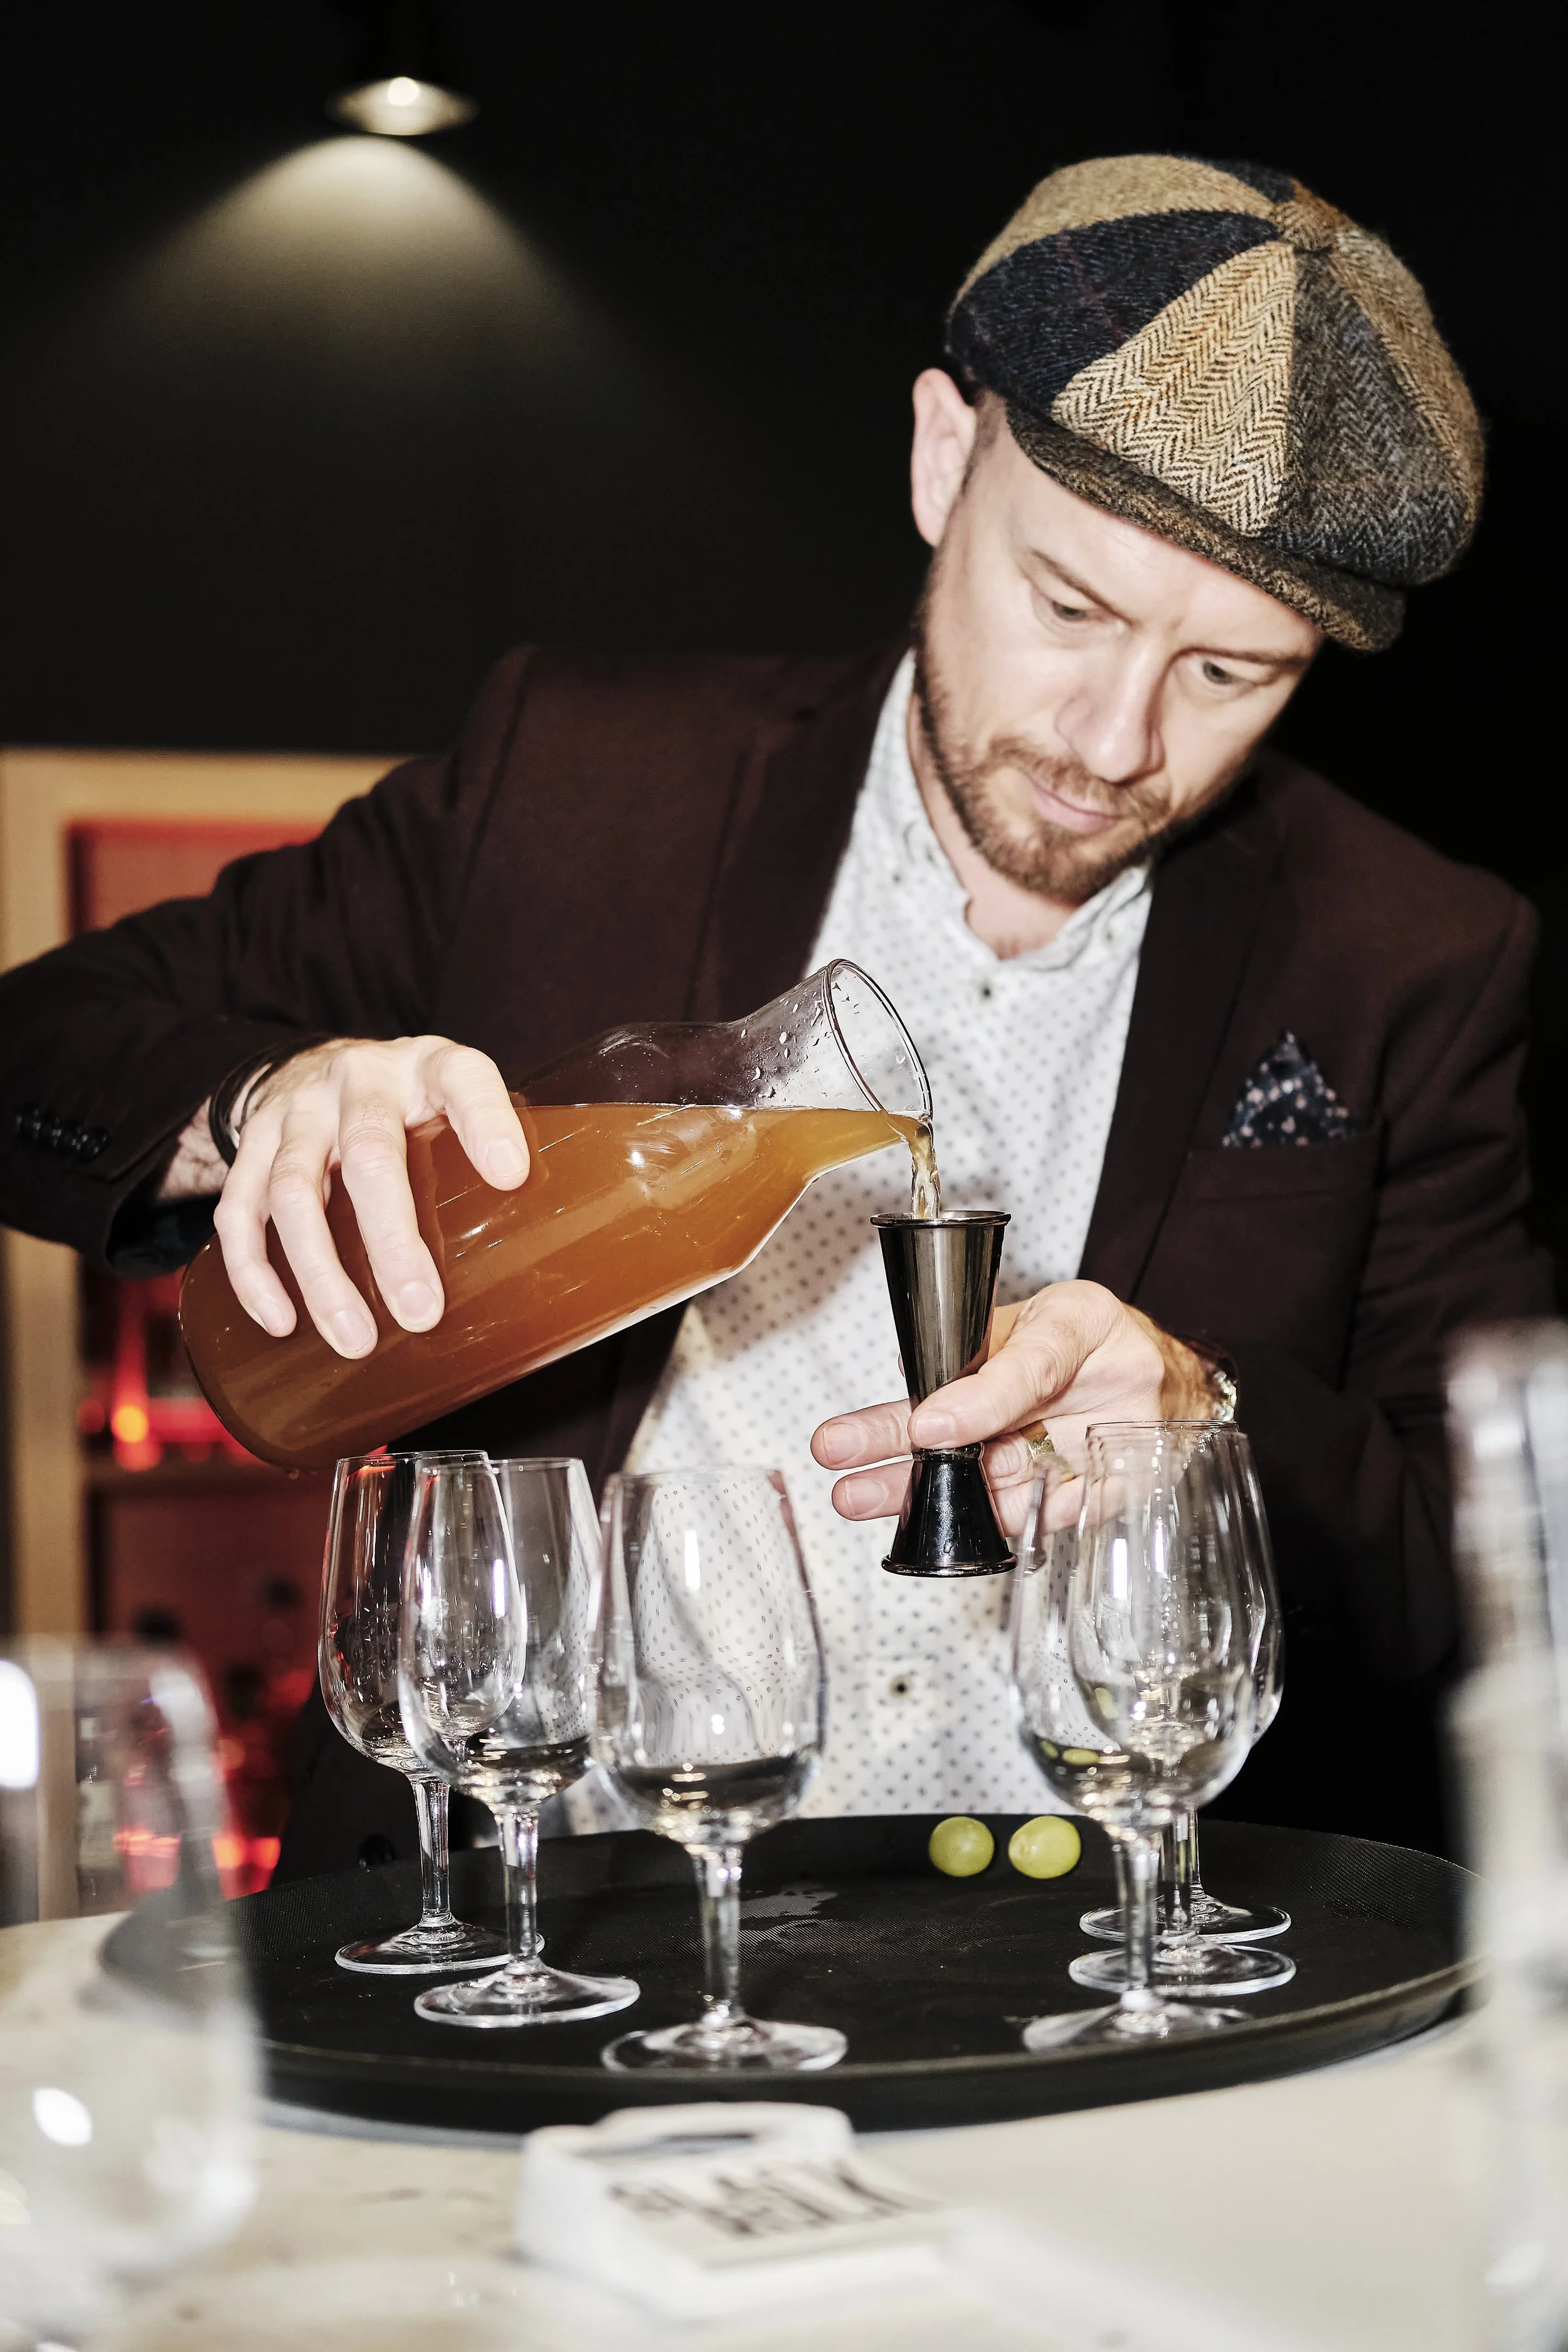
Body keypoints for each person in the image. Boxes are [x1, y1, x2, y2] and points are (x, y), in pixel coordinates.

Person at [0, 155, 1547, 1869]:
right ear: (941, 456)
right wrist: (264, 1099)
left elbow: (1487, 1570)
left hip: (1099, 1963)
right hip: (550, 1922)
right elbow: (33, 1052)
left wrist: (1210, 1421)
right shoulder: (577, 780)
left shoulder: (1409, 948)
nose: (1116, 743)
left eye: (1227, 672)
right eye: (1069, 607)